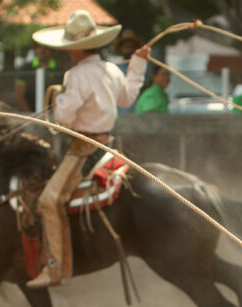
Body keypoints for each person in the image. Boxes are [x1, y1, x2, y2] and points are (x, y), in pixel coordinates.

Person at [26, 10, 147, 288]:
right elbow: (127, 99)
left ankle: (55, 267)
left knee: (48, 200)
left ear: (76, 49)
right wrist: (138, 66)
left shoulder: (77, 74)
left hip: (84, 149)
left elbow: (65, 118)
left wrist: (59, 96)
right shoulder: (112, 69)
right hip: (108, 144)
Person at [14, 42, 62, 113]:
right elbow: (19, 95)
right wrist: (31, 118)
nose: (42, 50)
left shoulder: (60, 70)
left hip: (52, 117)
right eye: (38, 47)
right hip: (29, 117)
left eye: (46, 47)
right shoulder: (25, 68)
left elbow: (61, 96)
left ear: (52, 50)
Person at [113, 28, 144, 114]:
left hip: (136, 113)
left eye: (132, 47)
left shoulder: (140, 68)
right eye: (127, 47)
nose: (129, 50)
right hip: (119, 113)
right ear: (121, 49)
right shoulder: (115, 69)